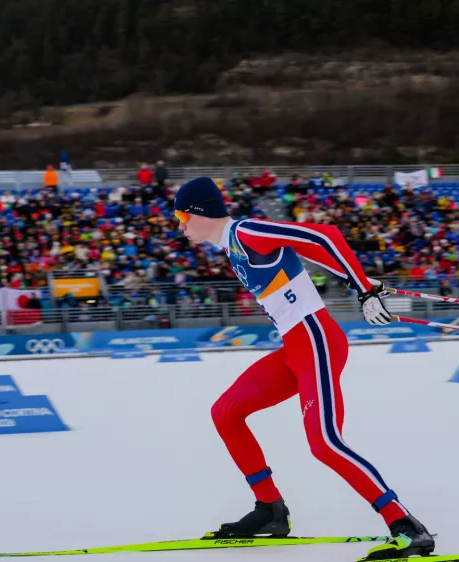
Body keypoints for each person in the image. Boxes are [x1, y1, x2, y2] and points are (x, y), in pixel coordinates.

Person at [174, 177, 435, 560]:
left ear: (199, 212)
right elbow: (306, 259)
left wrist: (363, 289)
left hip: (317, 343)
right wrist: (354, 278)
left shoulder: (245, 232)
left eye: (182, 216)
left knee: (325, 443)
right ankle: (270, 511)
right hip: (294, 349)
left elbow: (323, 237)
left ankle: (406, 527)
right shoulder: (231, 248)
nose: (180, 226)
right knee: (226, 412)